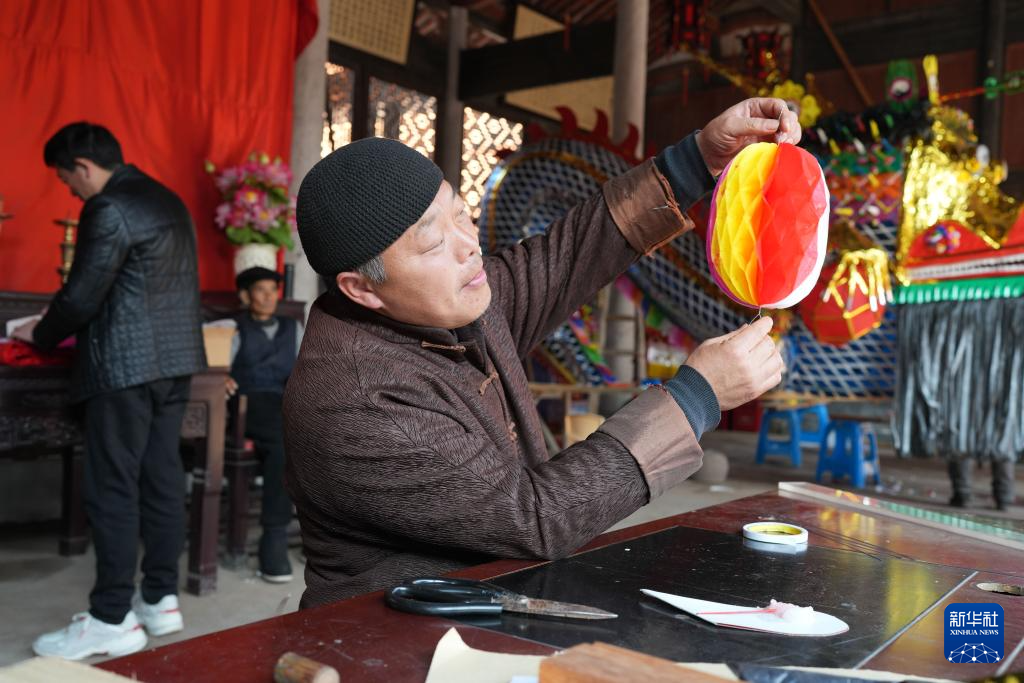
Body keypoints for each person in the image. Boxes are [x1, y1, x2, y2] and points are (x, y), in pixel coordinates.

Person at [284, 98, 796, 609]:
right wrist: (696, 396)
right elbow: (533, 516)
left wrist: (698, 159)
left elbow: (568, 256)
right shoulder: (356, 402)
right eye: (433, 244)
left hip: (500, 605)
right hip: (394, 630)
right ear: (362, 289)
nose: (468, 245)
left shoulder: (455, 304)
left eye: (460, 215)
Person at [12, 122, 207, 659]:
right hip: (175, 365)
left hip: (123, 368)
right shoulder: (167, 199)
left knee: (112, 487)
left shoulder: (109, 206)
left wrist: (37, 333)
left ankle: (111, 617)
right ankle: (160, 599)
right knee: (162, 477)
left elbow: (80, 298)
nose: (72, 192)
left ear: (82, 167)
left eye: (67, 180)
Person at [226, 264, 302, 582]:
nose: (269, 297)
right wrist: (221, 377)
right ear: (246, 296)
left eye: (273, 291)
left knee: (324, 437)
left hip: (284, 401)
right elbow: (214, 369)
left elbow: (307, 369)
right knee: (284, 444)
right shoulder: (233, 328)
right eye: (261, 290)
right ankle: (273, 541)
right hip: (249, 404)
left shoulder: (293, 328)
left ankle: (325, 535)